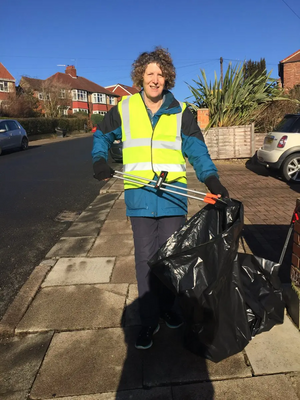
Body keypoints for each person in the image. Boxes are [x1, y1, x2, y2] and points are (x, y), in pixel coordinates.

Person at [92, 47, 229, 350]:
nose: (155, 79)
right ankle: (148, 321)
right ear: (140, 76)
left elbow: (197, 151)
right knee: (145, 262)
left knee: (169, 262)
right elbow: (101, 135)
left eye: (160, 74)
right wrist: (99, 159)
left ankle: (168, 309)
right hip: (140, 198)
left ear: (168, 79)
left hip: (173, 199)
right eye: (149, 73)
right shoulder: (125, 108)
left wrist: (212, 179)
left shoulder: (181, 112)